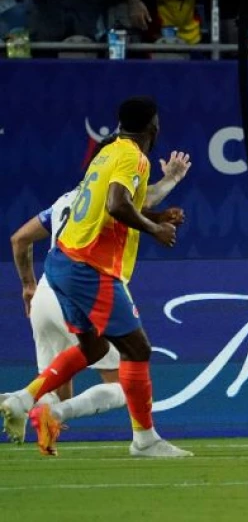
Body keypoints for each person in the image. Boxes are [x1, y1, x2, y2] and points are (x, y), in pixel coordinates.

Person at [0, 96, 192, 458]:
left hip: (59, 265)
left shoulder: (105, 155)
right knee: (137, 349)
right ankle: (145, 439)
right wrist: (155, 229)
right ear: (154, 126)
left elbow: (122, 201)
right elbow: (118, 205)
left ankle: (25, 399)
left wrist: (162, 201)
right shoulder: (134, 156)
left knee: (94, 347)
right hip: (91, 268)